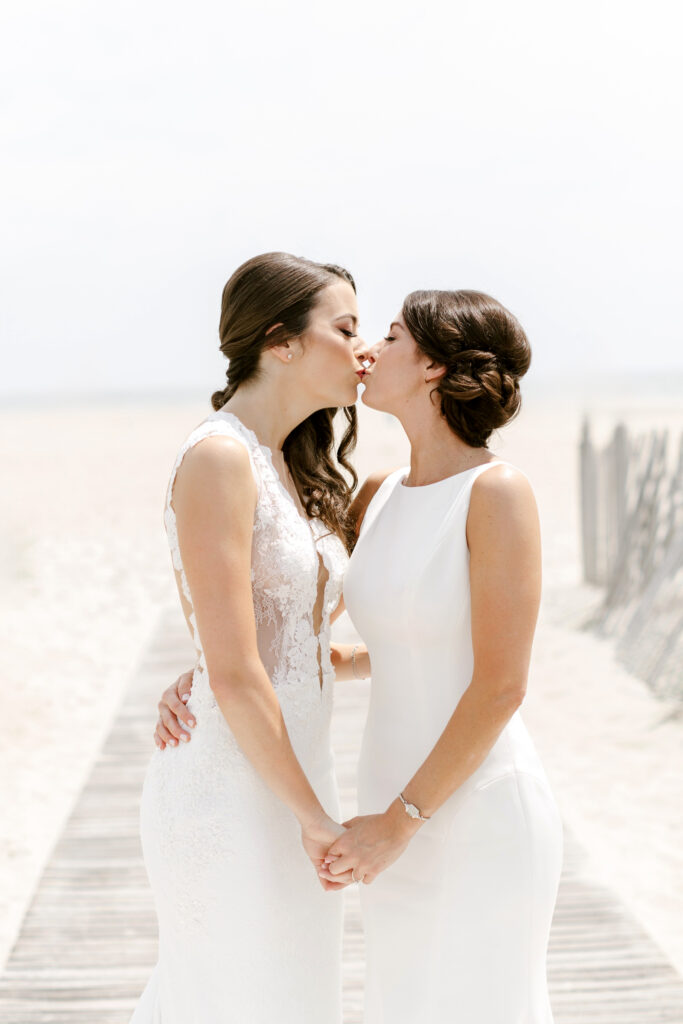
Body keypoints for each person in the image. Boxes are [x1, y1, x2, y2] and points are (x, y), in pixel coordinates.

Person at [156, 289, 564, 1023]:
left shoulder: (496, 491)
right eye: (358, 331)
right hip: (379, 802)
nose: (369, 350)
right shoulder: (376, 495)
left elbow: (500, 685)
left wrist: (403, 821)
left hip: (467, 805)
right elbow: (322, 622)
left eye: (391, 336)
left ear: (435, 369)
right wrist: (209, 676)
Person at [130, 252, 371, 1024]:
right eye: (345, 327)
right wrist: (314, 821)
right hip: (231, 789)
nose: (362, 348)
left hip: (296, 778)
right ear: (281, 342)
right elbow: (236, 674)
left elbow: (299, 653)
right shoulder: (218, 458)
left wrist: (431, 656)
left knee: (295, 997)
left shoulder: (289, 463)